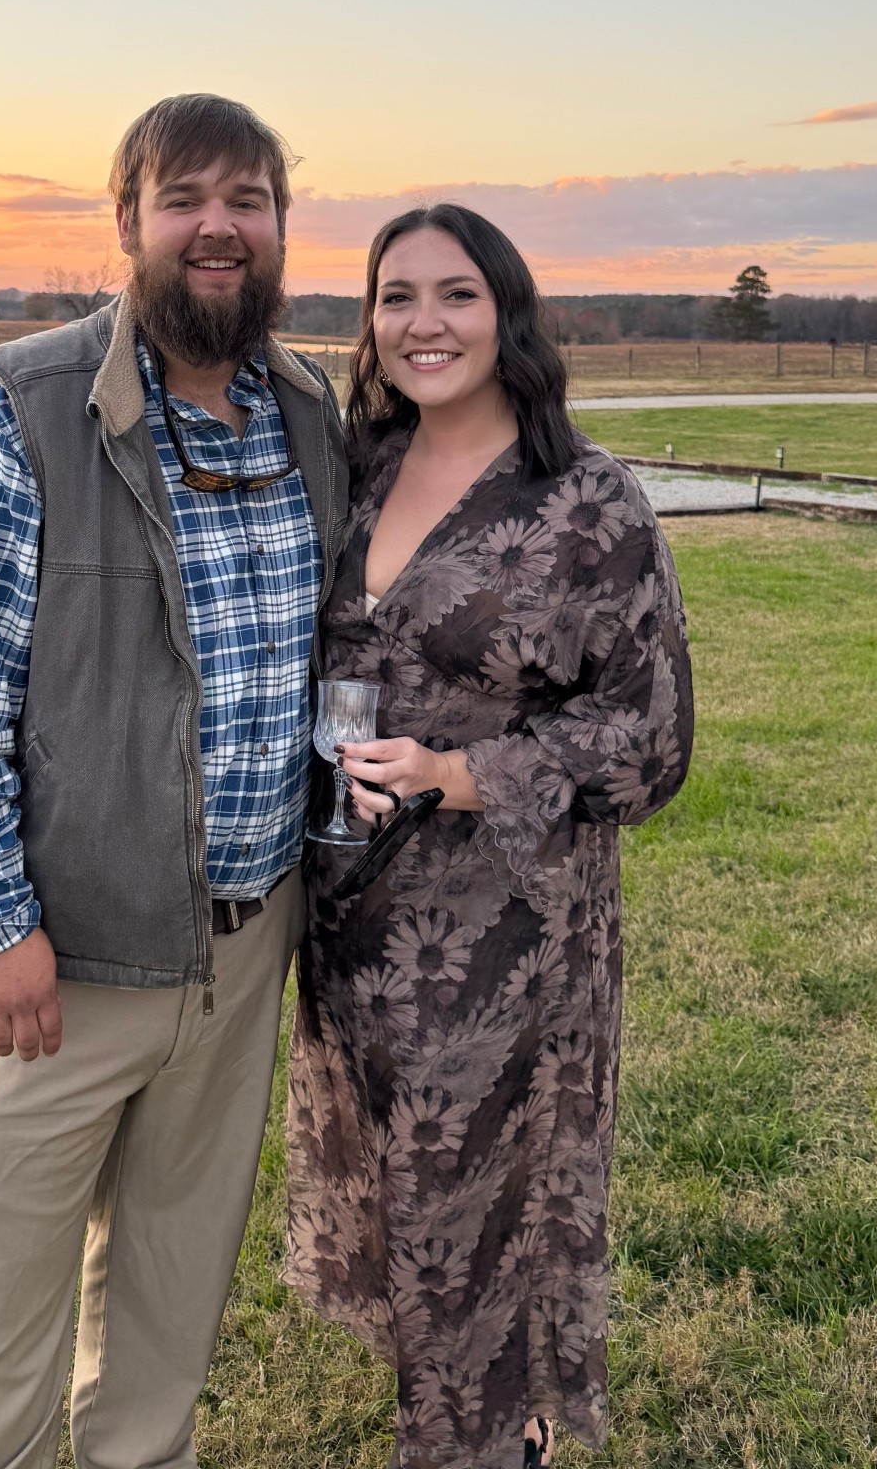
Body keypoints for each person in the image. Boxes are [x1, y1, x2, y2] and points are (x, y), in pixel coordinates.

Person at [0, 93, 348, 1469]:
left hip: (244, 947)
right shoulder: (18, 412)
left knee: (167, 1309)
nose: (220, 227)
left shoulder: (309, 415)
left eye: (249, 200)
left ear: (278, 228)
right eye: (186, 198)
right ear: (129, 224)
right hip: (61, 964)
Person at [284, 205, 693, 1469]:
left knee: (483, 1206)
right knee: (409, 1204)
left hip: (505, 930)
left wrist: (463, 770)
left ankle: (489, 1442)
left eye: (454, 293)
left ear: (507, 310)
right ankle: (466, 1417)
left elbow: (652, 735)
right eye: (394, 295)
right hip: (354, 916)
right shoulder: (353, 465)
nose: (424, 322)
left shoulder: (586, 500)